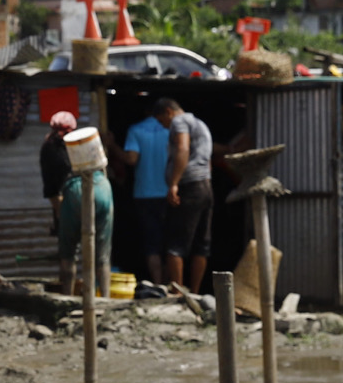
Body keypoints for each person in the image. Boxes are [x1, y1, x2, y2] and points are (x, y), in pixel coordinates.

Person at [40, 111, 112, 297]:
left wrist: (60, 215)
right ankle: (105, 298)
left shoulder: (49, 147)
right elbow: (102, 166)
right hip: (103, 187)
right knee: (102, 253)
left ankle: (67, 296)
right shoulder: (84, 142)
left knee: (68, 253)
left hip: (74, 192)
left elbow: (52, 190)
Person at [160, 97, 216, 296]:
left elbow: (182, 148)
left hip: (189, 186)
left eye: (162, 121)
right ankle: (195, 293)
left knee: (175, 243)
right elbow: (207, 160)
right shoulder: (200, 124)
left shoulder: (179, 121)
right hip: (205, 186)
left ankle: (178, 294)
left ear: (168, 111)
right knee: (201, 243)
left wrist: (174, 183)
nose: (165, 127)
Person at [120, 101, 175, 286]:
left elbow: (131, 159)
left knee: (152, 243)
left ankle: (158, 284)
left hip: (144, 194)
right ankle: (171, 285)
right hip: (170, 193)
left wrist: (111, 146)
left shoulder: (136, 130)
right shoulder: (172, 130)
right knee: (170, 242)